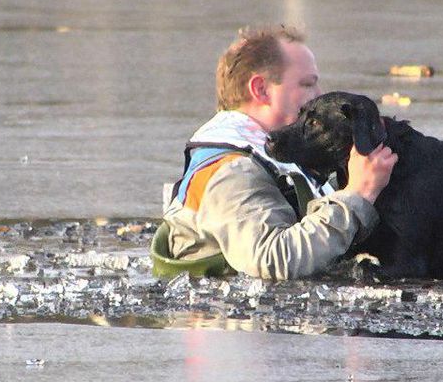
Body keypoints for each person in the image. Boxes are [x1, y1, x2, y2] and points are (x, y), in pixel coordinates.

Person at [159, 25, 397, 280]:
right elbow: (273, 261)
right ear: (261, 89)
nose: (319, 96)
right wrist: (358, 195)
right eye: (307, 84)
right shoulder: (231, 171)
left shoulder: (265, 158)